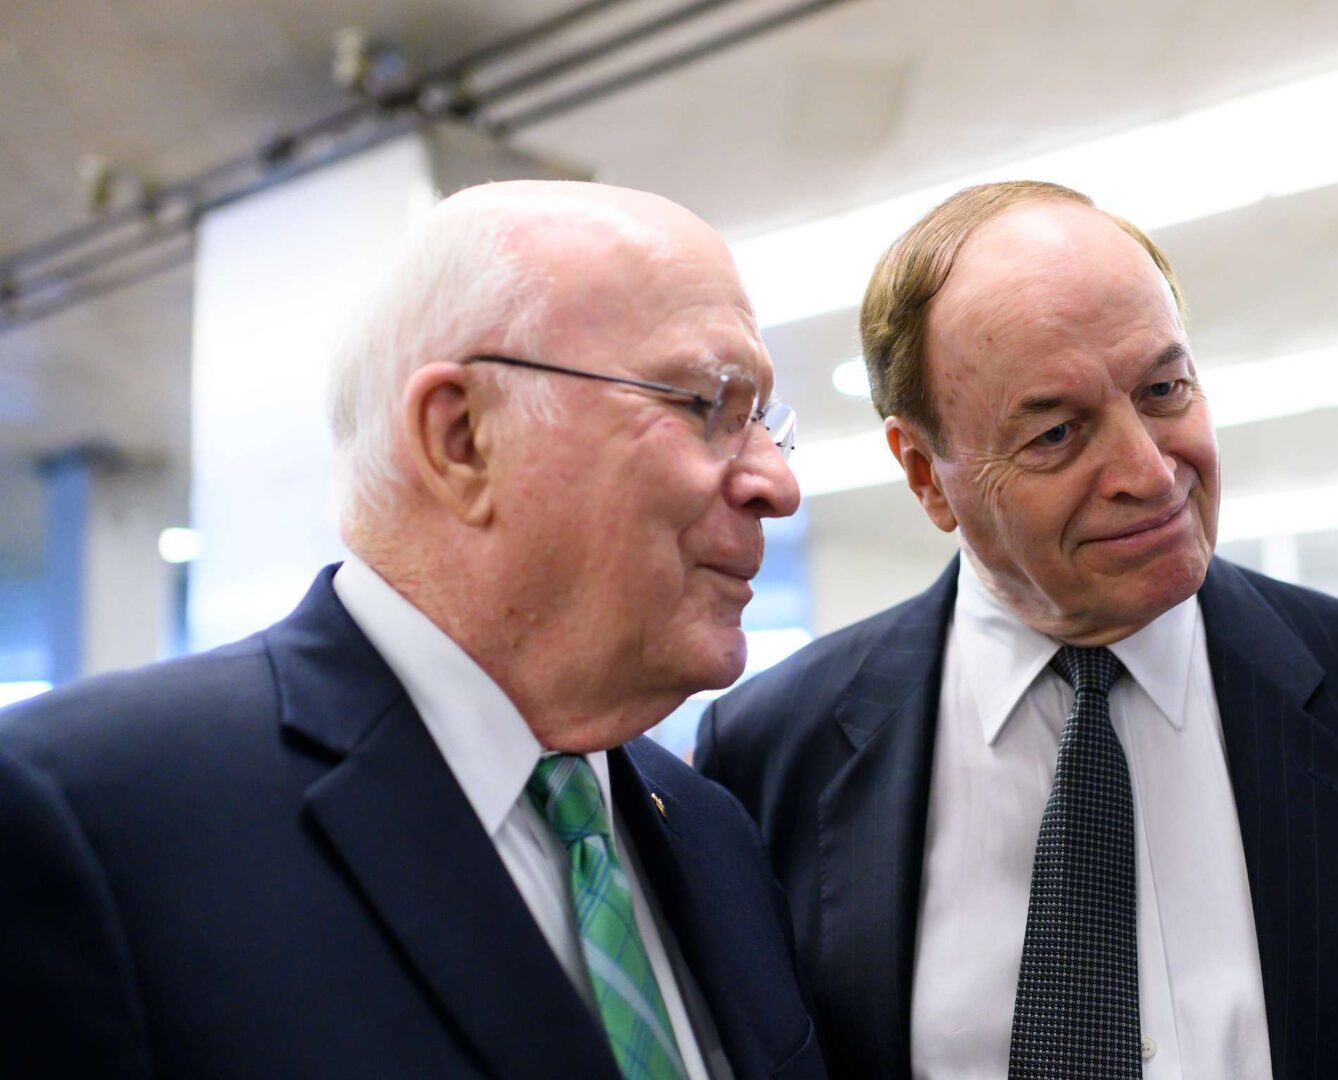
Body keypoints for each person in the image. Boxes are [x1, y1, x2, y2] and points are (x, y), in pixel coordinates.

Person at [695, 180, 1338, 1079]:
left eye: (1165, 389)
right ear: (927, 474)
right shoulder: (775, 752)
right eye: (1055, 434)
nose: (1152, 473)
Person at [0, 181, 825, 1080]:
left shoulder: (711, 833)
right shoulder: (91, 816)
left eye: (766, 423)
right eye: (710, 405)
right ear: (463, 436)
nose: (775, 485)